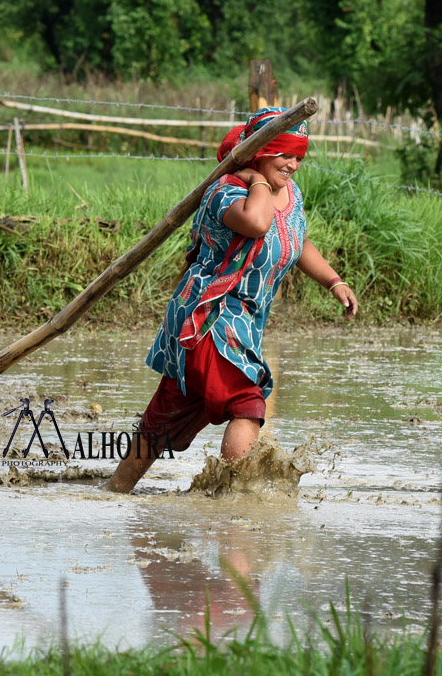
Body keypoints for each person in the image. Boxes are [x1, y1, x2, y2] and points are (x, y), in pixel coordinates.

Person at [102, 107, 358, 494]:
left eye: (299, 157)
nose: (293, 165)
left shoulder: (290, 194)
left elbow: (297, 238)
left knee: (165, 415)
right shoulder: (226, 192)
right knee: (246, 402)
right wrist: (256, 180)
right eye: (284, 154)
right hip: (210, 317)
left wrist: (333, 281)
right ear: (258, 151)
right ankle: (234, 502)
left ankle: (117, 489)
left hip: (241, 324)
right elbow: (257, 222)